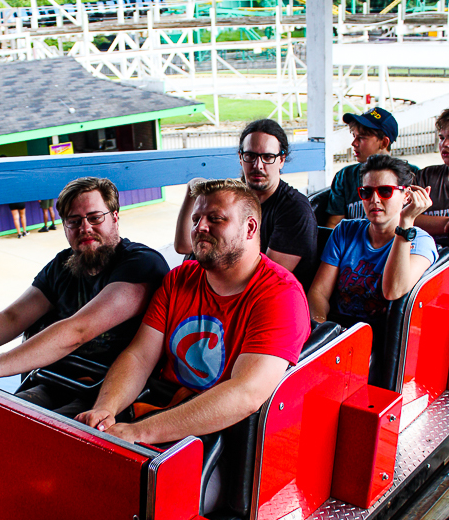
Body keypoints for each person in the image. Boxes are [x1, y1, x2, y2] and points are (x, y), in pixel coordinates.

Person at [77, 179, 310, 449]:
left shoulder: (281, 296)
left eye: (216, 218)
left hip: (221, 440)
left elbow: (246, 393)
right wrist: (106, 409)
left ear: (249, 228)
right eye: (196, 218)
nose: (200, 227)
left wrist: (140, 432)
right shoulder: (179, 279)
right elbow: (140, 356)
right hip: (160, 407)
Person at [0, 177, 169, 415]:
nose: (85, 228)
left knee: (47, 440)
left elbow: (78, 331)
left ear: (115, 218)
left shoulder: (141, 264)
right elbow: (12, 317)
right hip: (59, 379)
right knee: (3, 419)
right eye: (74, 221)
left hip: (115, 390)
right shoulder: (63, 266)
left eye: (95, 218)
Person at [308, 156, 437, 368]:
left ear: (406, 195)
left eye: (385, 191)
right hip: (336, 330)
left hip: (380, 341)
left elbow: (393, 290)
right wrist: (325, 332)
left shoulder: (420, 242)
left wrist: (406, 224)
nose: (374, 200)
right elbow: (318, 292)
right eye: (366, 192)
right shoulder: (345, 231)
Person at [174, 119, 318, 290]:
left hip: (263, 299)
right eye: (250, 156)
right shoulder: (232, 199)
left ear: (281, 160)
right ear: (241, 158)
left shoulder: (295, 209)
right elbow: (184, 246)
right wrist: (192, 189)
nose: (258, 165)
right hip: (220, 287)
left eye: (268, 157)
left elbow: (266, 278)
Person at [325, 107, 419, 228]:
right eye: (354, 136)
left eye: (362, 137)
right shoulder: (345, 176)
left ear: (384, 143)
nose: (354, 143)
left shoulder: (412, 174)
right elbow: (333, 224)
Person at [413, 109, 449, 243]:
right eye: (442, 138)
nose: (445, 144)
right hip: (429, 257)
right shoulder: (426, 176)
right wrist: (446, 224)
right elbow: (406, 218)